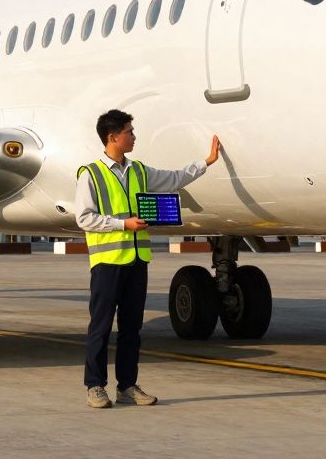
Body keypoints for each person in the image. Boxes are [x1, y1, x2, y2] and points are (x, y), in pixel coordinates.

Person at [76, 108, 221, 409]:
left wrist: (205, 163)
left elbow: (173, 179)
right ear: (113, 137)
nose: (134, 136)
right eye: (129, 132)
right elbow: (84, 218)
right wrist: (122, 224)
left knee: (132, 329)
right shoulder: (91, 174)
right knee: (100, 328)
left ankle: (127, 386)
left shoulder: (139, 170)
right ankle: (95, 386)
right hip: (107, 264)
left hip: (136, 261)